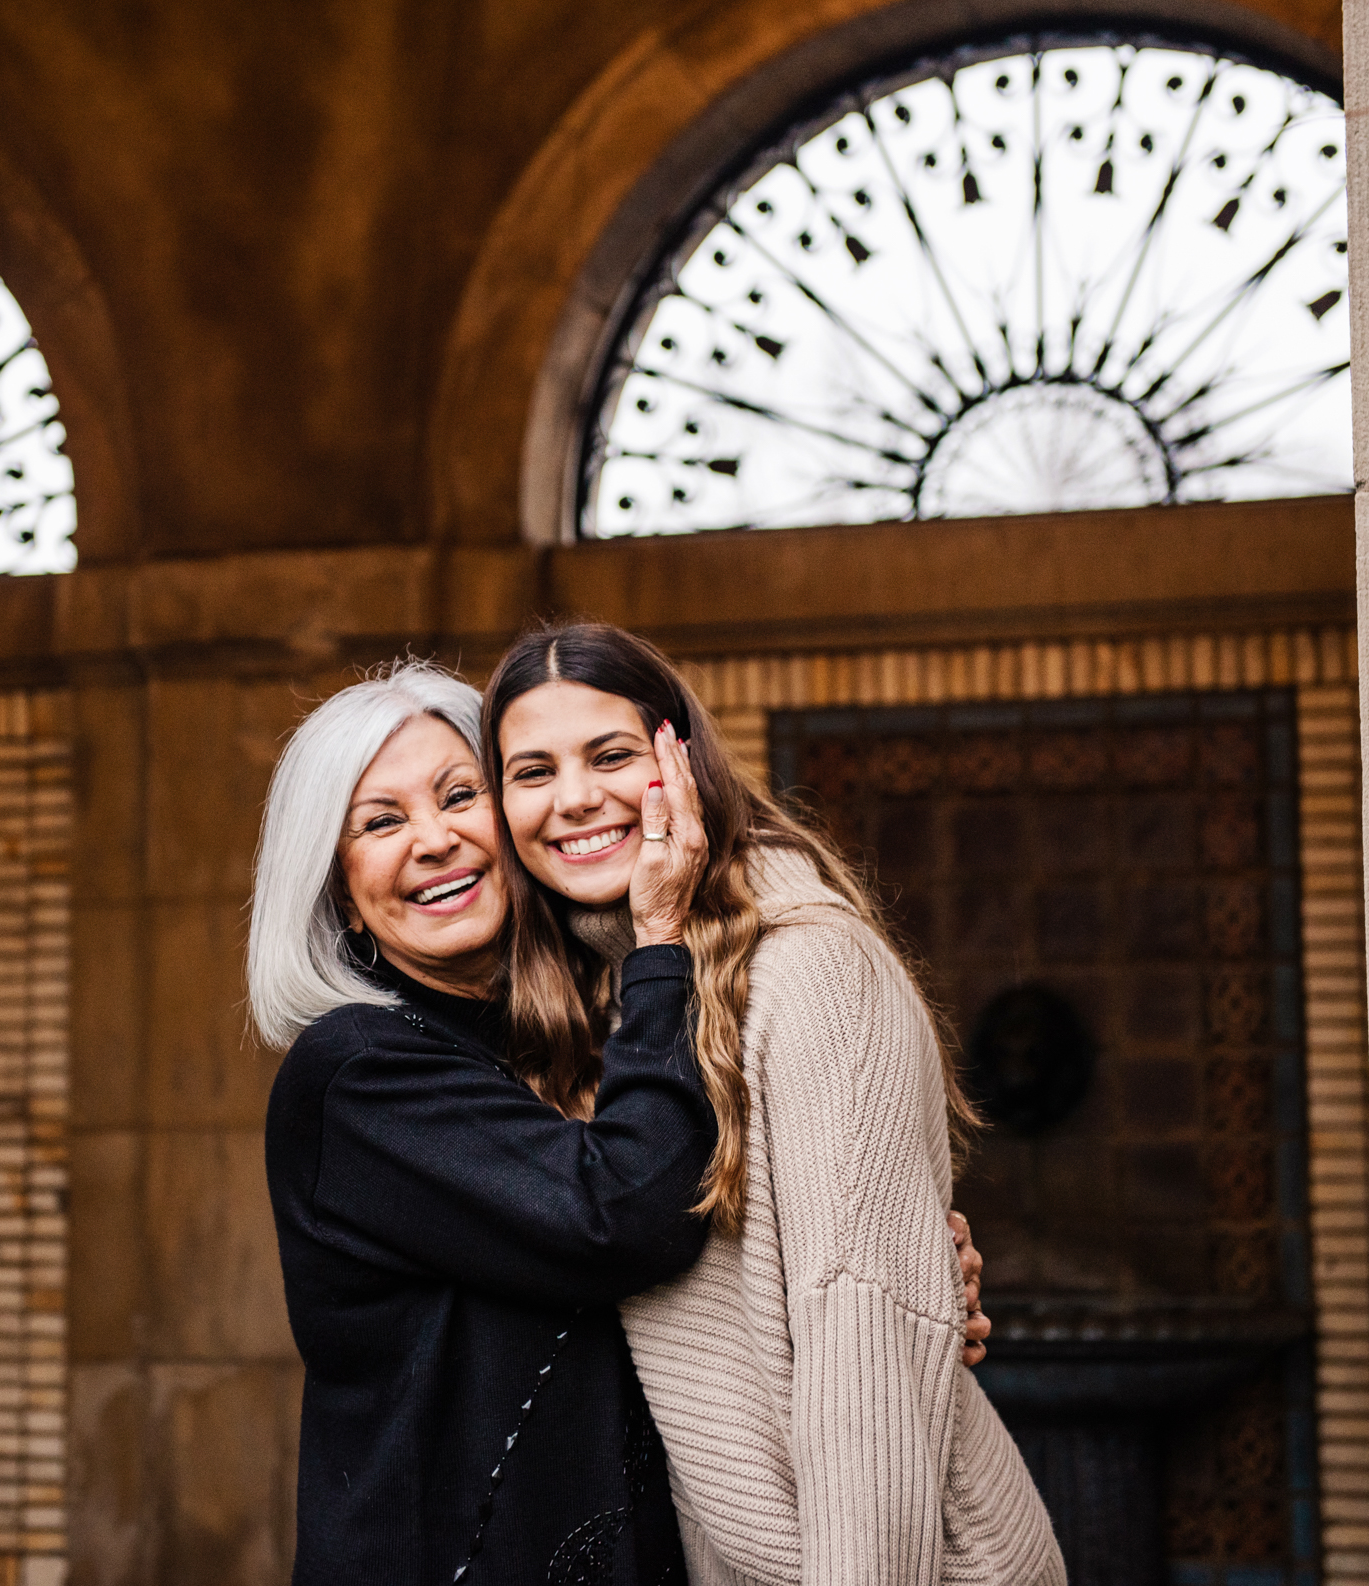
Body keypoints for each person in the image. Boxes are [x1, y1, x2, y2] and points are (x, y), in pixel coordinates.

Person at [485, 623, 1065, 1586]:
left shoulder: (810, 970)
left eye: (612, 755)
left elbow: (864, 1334)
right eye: (531, 770)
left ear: (681, 758)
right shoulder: (598, 1008)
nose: (576, 796)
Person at [249, 660, 715, 1586]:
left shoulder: (575, 1035)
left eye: (462, 795)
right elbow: (620, 1213)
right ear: (338, 887)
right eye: (380, 822)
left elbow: (699, 1204)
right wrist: (662, 941)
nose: (435, 840)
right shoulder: (357, 1074)